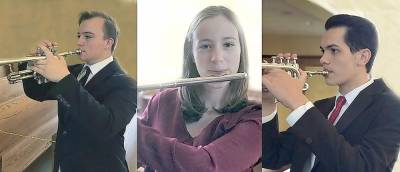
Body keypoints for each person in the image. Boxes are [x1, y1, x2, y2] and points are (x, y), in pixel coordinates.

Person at [262, 14, 400, 172]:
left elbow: (362, 168)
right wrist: (267, 99)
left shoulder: (392, 107)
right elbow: (272, 157)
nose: (323, 59)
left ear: (363, 57)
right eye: (323, 51)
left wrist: (297, 101)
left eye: (334, 50)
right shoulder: (320, 107)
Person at [137, 6, 261, 172]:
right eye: (205, 46)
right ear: (192, 54)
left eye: (228, 44)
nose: (217, 58)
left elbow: (204, 167)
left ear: (241, 51)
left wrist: (133, 131)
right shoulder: (162, 102)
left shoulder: (254, 120)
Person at [21, 11, 137, 172]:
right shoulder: (74, 73)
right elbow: (36, 92)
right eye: (79, 36)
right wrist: (30, 63)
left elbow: (105, 126)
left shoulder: (126, 84)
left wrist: (63, 78)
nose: (79, 42)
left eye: (88, 36)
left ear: (108, 42)